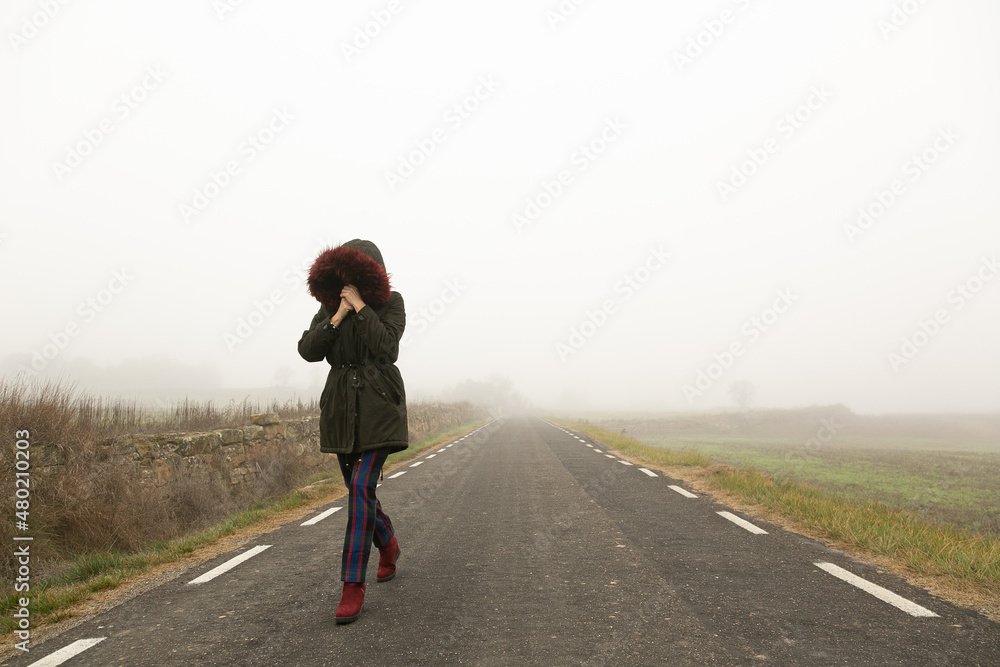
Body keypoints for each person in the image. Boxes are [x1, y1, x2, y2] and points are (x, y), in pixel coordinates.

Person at [297, 239, 408, 624]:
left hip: (380, 406)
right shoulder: (329, 308)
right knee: (357, 488)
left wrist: (361, 308)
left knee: (362, 487)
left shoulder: (391, 303)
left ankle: (351, 585)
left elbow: (387, 347)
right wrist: (339, 314)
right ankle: (388, 543)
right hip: (341, 409)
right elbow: (309, 350)